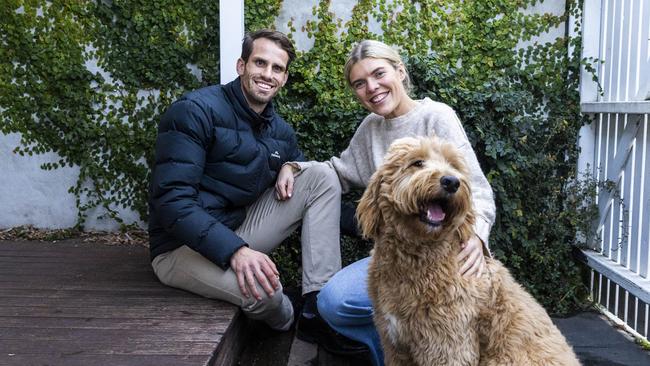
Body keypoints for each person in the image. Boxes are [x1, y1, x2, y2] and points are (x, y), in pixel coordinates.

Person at [289, 40, 496, 365]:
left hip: (441, 259)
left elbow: (478, 189)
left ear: (400, 71)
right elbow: (338, 171)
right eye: (359, 83)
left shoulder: (436, 117)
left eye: (378, 74)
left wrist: (478, 236)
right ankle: (382, 354)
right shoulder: (371, 128)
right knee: (333, 302)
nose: (371, 87)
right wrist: (295, 168)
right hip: (396, 258)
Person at [147, 30, 349, 345]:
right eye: (260, 63)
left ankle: (319, 308)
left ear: (284, 78)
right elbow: (172, 201)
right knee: (266, 295)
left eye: (277, 68)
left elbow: (318, 194)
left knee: (320, 175)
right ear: (242, 65)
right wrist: (236, 251)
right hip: (180, 247)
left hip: (239, 226)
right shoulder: (195, 110)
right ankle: (290, 318)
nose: (267, 74)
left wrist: (290, 166)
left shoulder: (280, 131)